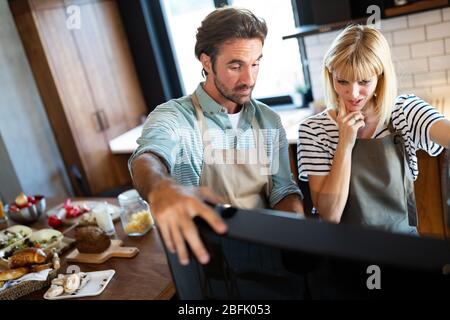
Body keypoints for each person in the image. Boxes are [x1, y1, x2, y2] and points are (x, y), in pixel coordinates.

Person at [130, 7, 304, 265]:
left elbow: (282, 190)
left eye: (255, 64)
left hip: (267, 254)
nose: (249, 79)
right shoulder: (177, 117)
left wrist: (297, 234)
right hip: (207, 262)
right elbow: (147, 157)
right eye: (236, 66)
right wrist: (159, 187)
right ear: (207, 62)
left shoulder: (268, 120)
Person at [297, 24, 450, 235]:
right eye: (342, 80)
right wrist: (344, 143)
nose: (353, 94)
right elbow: (329, 215)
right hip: (347, 255)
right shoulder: (314, 130)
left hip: (404, 250)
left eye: (364, 81)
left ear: (380, 77)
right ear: (329, 74)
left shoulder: (405, 112)